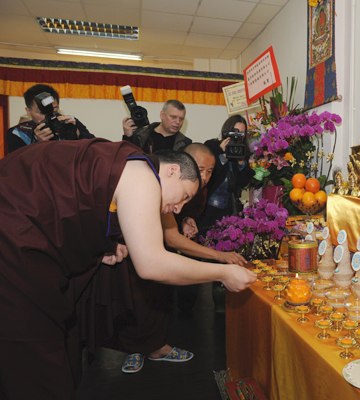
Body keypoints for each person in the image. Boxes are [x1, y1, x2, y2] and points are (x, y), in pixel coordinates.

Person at [0, 139, 256, 400]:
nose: (178, 208)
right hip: (14, 240)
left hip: (27, 237)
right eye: (185, 196)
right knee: (35, 364)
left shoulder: (128, 167)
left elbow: (79, 209)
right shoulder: (143, 175)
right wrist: (222, 272)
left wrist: (106, 247)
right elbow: (151, 264)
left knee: (54, 354)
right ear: (172, 171)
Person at [115, 143, 246, 374]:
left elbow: (174, 222)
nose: (204, 177)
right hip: (130, 254)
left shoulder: (182, 190)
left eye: (209, 172)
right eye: (200, 169)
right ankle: (134, 349)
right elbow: (171, 240)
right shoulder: (146, 182)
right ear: (179, 166)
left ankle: (156, 347)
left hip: (155, 254)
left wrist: (187, 219)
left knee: (158, 302)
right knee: (134, 300)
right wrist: (221, 262)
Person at [197, 115, 254, 236]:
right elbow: (209, 174)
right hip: (208, 206)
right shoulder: (212, 146)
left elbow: (242, 183)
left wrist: (241, 164)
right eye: (235, 132)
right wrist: (220, 152)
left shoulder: (243, 152)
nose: (237, 136)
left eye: (241, 133)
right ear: (227, 130)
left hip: (228, 207)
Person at [5, 83, 94, 153]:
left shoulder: (69, 123)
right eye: (42, 112)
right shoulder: (18, 133)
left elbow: (95, 148)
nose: (50, 115)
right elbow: (19, 166)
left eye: (54, 110)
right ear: (28, 111)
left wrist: (78, 133)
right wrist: (38, 143)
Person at [122, 99, 190, 153]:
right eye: (173, 117)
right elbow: (125, 156)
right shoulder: (140, 135)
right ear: (162, 115)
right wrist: (128, 137)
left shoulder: (186, 144)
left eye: (181, 119)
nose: (178, 122)